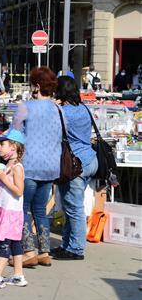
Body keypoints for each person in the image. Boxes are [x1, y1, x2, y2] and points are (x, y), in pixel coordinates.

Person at [11, 67, 62, 268]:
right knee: (40, 209)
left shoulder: (26, 107)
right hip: (50, 166)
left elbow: (15, 133)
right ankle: (45, 252)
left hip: (29, 165)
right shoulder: (58, 110)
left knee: (23, 208)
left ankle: (29, 250)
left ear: (37, 86)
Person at [52, 76, 98, 261]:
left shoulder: (63, 112)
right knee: (71, 205)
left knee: (74, 208)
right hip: (89, 159)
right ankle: (67, 245)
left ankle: (76, 248)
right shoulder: (84, 108)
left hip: (74, 164)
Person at [0, 129, 27, 290]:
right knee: (14, 242)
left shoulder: (17, 167)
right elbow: (5, 183)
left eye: (2, 144)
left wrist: (3, 178)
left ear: (13, 147)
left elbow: (19, 191)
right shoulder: (8, 165)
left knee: (3, 242)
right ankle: (18, 275)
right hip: (4, 208)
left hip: (11, 211)